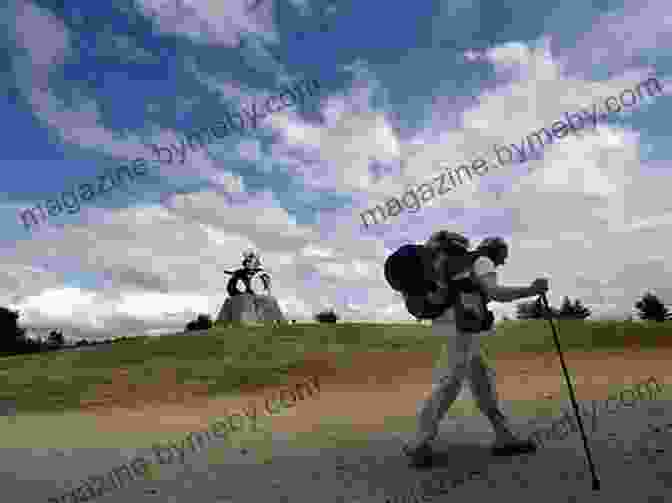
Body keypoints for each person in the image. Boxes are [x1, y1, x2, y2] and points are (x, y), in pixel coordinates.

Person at [403, 234, 549, 466]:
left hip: (454, 324)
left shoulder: (463, 264)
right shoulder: (482, 261)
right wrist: (531, 290)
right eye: (503, 256)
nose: (503, 262)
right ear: (495, 250)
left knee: (482, 380)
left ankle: (504, 437)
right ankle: (418, 445)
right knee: (450, 382)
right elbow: (495, 293)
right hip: (461, 326)